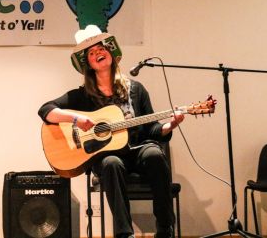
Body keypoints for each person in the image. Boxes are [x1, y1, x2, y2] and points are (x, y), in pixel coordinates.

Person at [38, 25, 185, 238]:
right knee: (111, 163)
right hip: (109, 156)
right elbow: (46, 110)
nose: (98, 52)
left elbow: (152, 129)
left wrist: (171, 124)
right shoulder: (83, 96)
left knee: (154, 154)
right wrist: (76, 119)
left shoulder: (136, 89)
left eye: (101, 48)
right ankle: (125, 234)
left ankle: (164, 228)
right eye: (91, 52)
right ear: (88, 64)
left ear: (111, 54)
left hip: (138, 150)